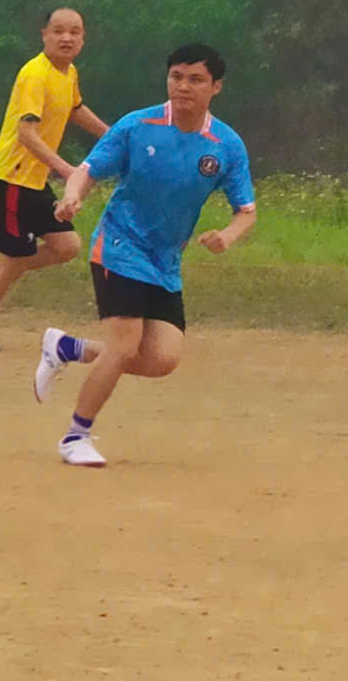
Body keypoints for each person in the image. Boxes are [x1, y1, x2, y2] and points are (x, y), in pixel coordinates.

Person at [30, 43, 257, 469]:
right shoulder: (138, 125)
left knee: (161, 360)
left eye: (195, 79)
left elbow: (246, 210)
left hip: (165, 261)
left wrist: (227, 236)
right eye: (176, 77)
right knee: (124, 345)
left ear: (216, 86)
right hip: (119, 245)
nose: (183, 86)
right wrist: (72, 198)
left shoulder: (226, 145)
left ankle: (66, 348)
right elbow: (88, 171)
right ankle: (76, 435)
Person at [0, 8, 109, 351]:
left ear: (84, 38)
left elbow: (75, 109)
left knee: (67, 247)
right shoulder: (34, 74)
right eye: (59, 31)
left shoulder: (68, 73)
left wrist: (113, 136)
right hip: (10, 182)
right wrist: (67, 170)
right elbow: (27, 134)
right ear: (44, 35)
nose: (66, 38)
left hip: (33, 183)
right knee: (14, 263)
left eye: (75, 32)